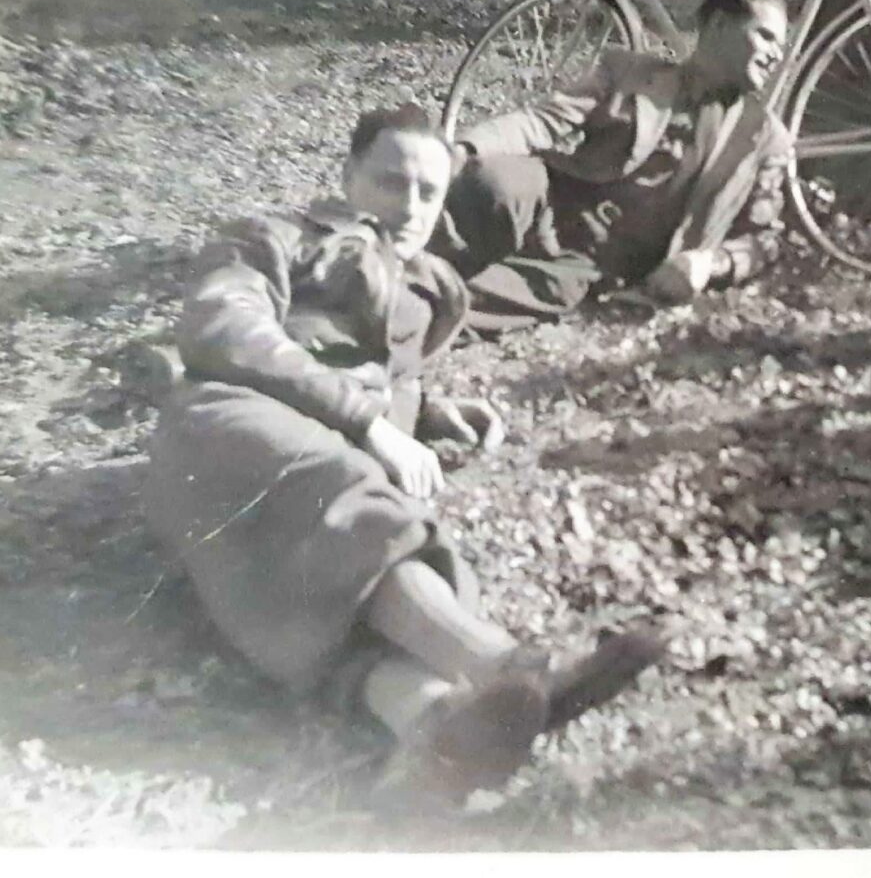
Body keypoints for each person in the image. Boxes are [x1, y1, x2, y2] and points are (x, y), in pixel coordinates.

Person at [144, 104, 666, 797]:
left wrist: (425, 413)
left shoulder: (426, 287)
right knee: (341, 493)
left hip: (310, 469)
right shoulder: (273, 236)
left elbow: (388, 377)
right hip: (229, 424)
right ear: (347, 177)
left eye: (429, 191)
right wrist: (369, 420)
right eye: (391, 182)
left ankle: (431, 726)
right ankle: (509, 663)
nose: (411, 205)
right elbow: (222, 327)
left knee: (338, 599)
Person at [435, 0, 792, 333]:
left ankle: (408, 307)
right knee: (494, 182)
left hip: (591, 262)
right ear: (718, 25)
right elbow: (543, 122)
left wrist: (708, 263)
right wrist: (463, 149)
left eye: (781, 44)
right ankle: (401, 254)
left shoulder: (763, 137)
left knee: (469, 300)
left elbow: (765, 238)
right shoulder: (628, 72)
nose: (778, 54)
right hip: (553, 201)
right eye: (766, 36)